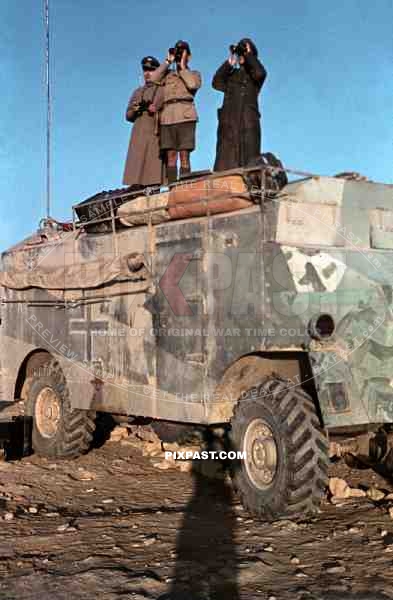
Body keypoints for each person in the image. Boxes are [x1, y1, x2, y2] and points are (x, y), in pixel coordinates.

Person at [149, 40, 201, 184]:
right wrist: (167, 61)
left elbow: (191, 84)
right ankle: (172, 188)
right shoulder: (167, 75)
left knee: (184, 155)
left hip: (186, 116)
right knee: (170, 155)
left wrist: (183, 66)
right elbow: (153, 79)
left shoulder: (194, 74)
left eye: (182, 52)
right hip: (168, 117)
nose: (179, 54)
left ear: (188, 56)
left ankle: (184, 187)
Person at [212, 38, 267, 172]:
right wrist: (229, 63)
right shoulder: (232, 75)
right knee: (225, 166)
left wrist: (248, 54)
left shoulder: (255, 77)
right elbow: (216, 82)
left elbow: (260, 73)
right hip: (229, 126)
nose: (241, 56)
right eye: (240, 53)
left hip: (247, 125)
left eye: (244, 53)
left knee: (249, 166)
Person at [122, 56, 164, 188]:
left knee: (153, 171)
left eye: (151, 70)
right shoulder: (138, 92)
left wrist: (156, 108)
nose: (147, 73)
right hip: (138, 134)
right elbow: (128, 115)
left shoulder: (162, 89)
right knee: (136, 170)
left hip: (155, 132)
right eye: (145, 70)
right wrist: (135, 110)